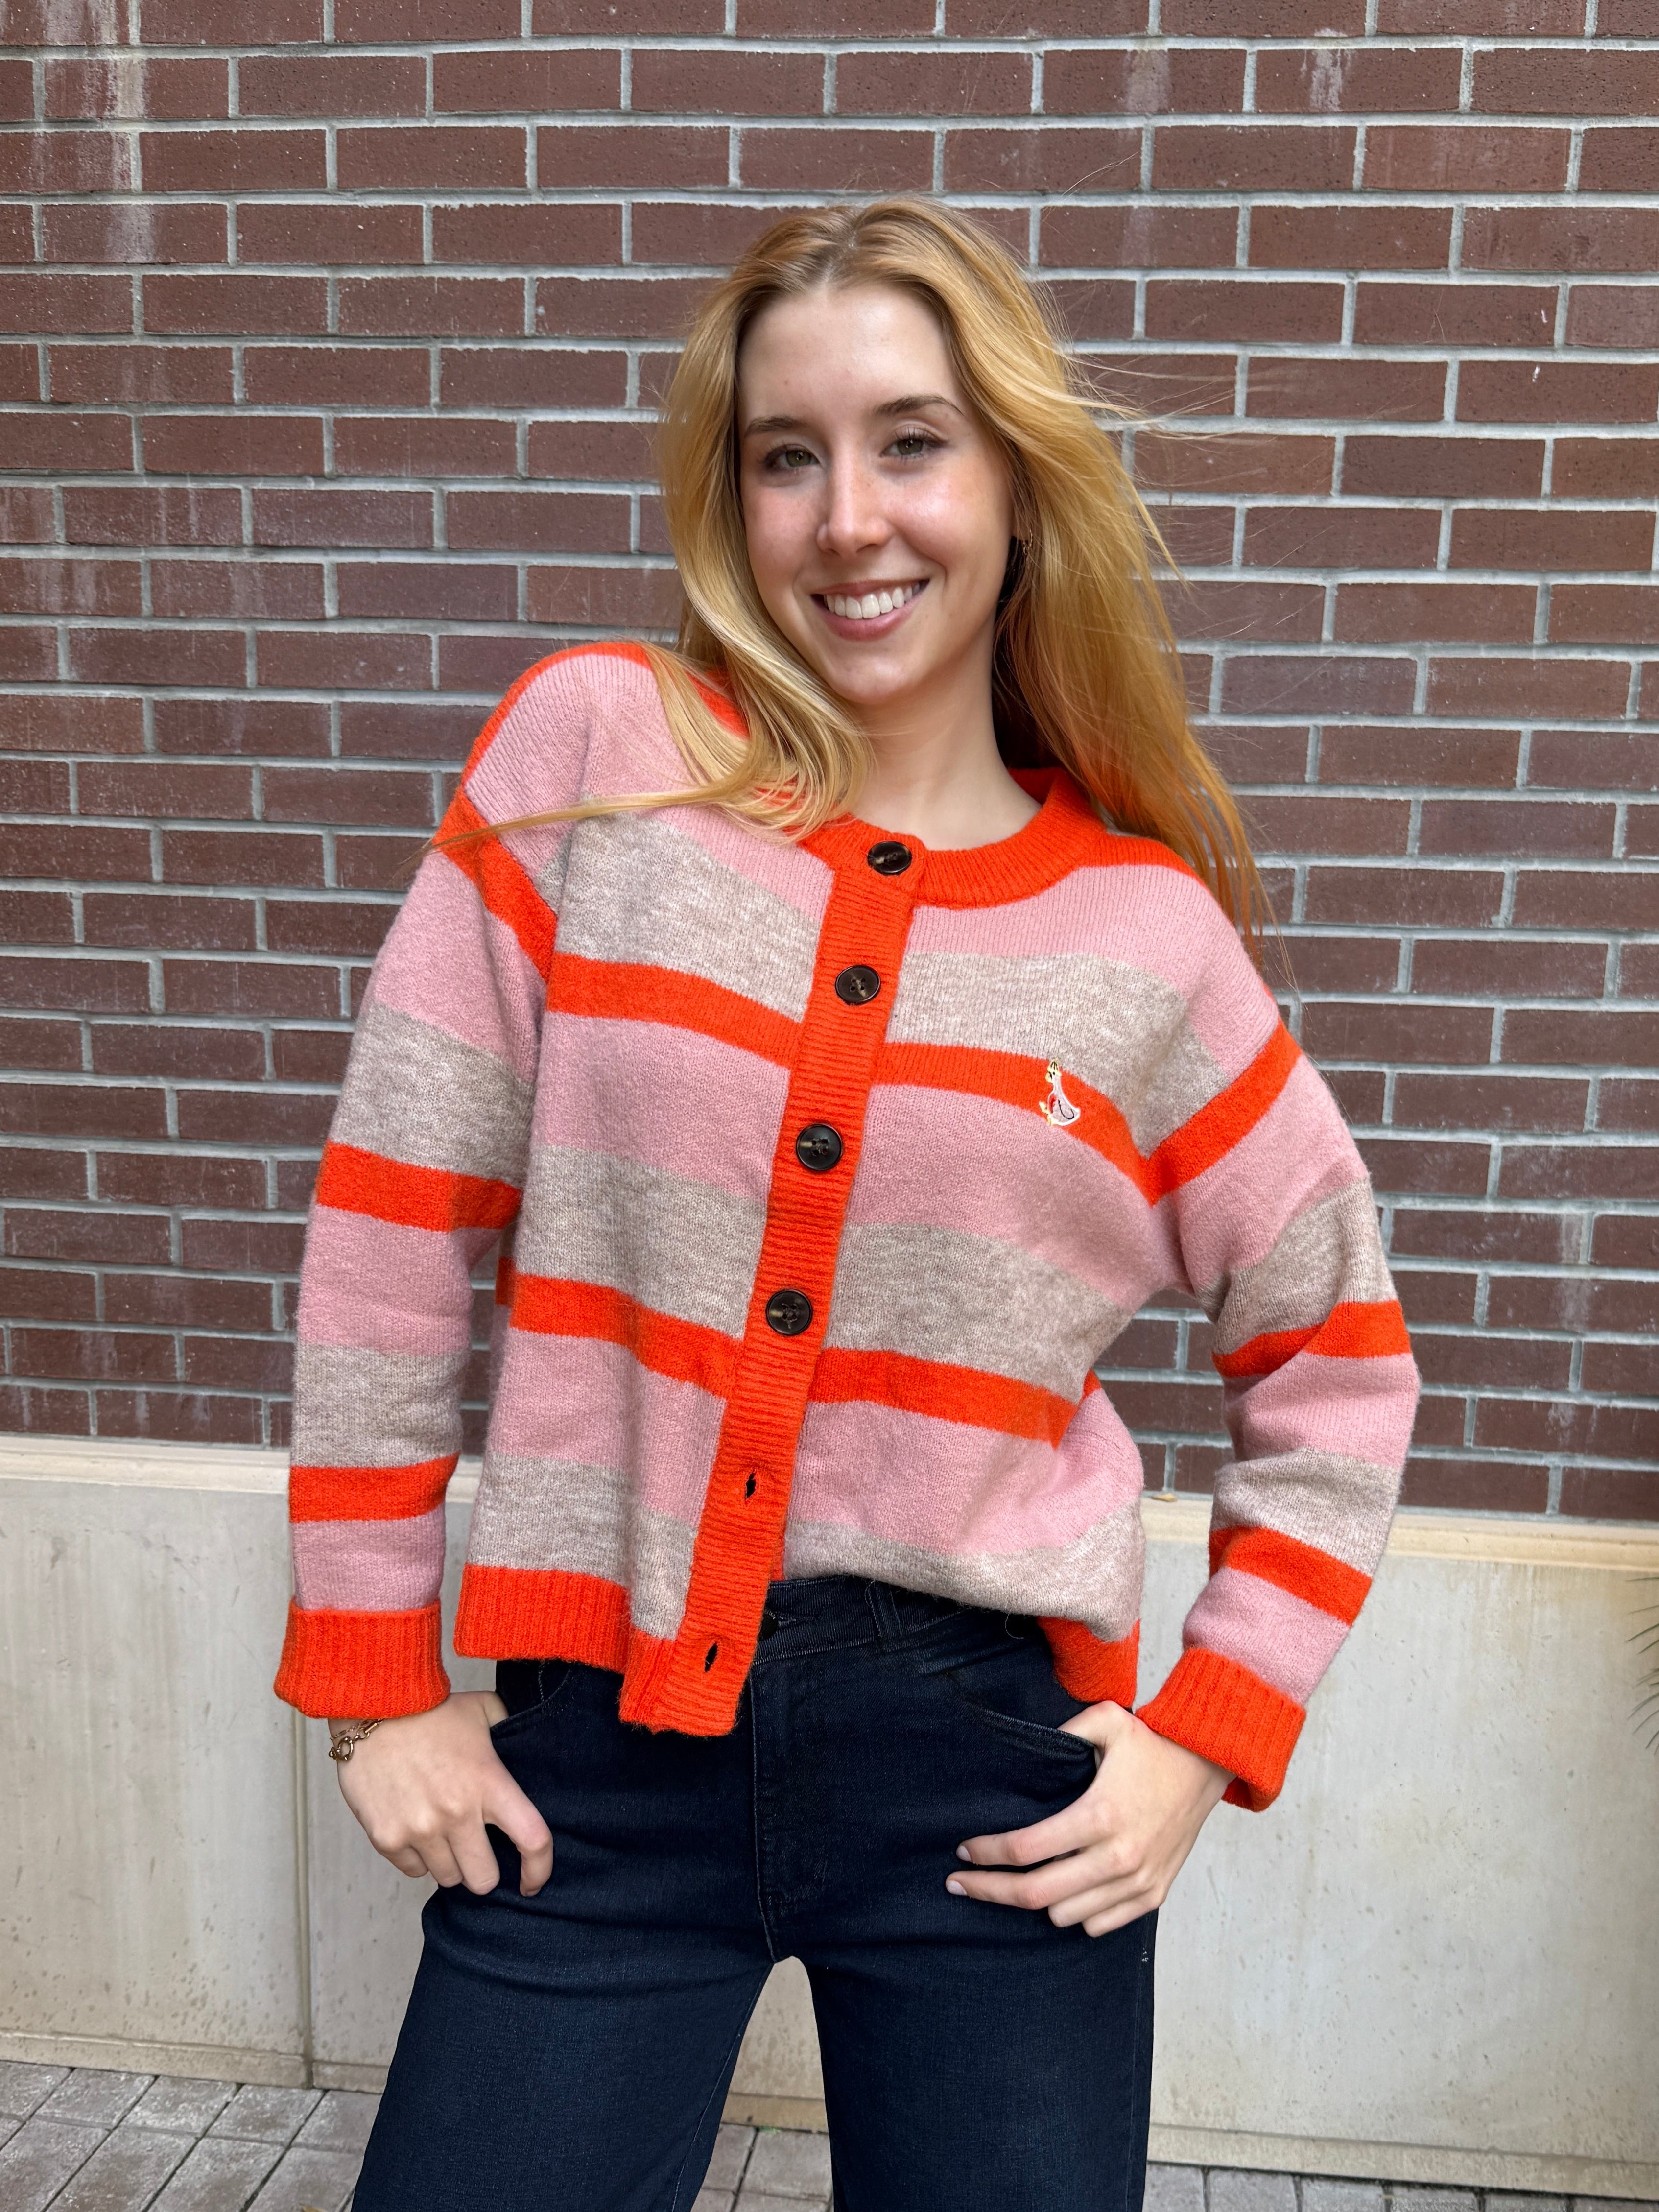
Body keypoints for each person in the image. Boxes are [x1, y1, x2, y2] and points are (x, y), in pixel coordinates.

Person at [273, 197, 1419, 2212]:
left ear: (1016, 478)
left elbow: (1336, 1362)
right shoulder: (598, 761)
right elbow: (391, 1220)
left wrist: (1201, 1732)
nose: (846, 519)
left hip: (989, 1783)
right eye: (783, 456)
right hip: (598, 1756)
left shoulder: (1143, 939)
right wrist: (373, 1681)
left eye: (910, 442)